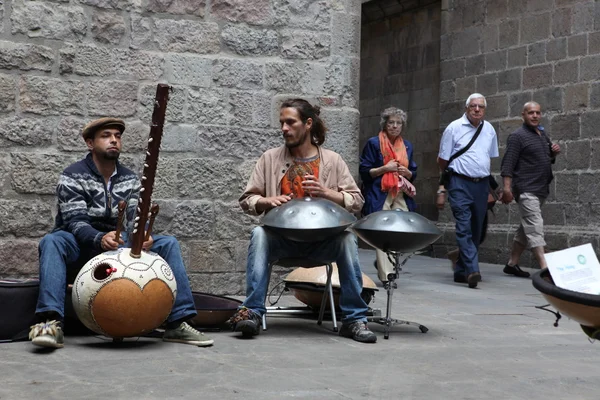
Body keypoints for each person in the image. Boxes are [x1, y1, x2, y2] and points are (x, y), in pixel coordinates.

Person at [29, 118, 214, 349]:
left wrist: (144, 235)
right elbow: (74, 221)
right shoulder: (72, 175)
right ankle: (50, 323)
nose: (114, 140)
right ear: (90, 143)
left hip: (117, 243)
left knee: (167, 243)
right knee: (53, 240)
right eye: (106, 135)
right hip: (79, 244)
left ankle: (178, 323)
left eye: (117, 135)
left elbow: (137, 217)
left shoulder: (130, 178)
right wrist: (99, 238)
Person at [232, 98, 377, 343]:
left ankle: (353, 319)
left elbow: (358, 200)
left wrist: (327, 193)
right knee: (259, 234)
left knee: (347, 238)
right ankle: (253, 312)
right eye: (282, 123)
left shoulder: (332, 160)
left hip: (323, 242)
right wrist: (266, 202)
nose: (284, 129)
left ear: (308, 124)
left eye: (290, 122)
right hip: (282, 241)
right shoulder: (270, 158)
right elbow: (247, 199)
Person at [437, 93, 499, 289]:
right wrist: (445, 184)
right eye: (473, 106)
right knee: (464, 225)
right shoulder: (453, 128)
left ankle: (460, 271)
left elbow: (488, 157)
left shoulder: (489, 129)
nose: (477, 109)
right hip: (459, 183)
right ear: (467, 108)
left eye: (481, 106)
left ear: (485, 109)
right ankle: (473, 269)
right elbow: (442, 160)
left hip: (481, 185)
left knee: (476, 228)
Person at [500, 101, 561, 275]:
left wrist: (553, 153)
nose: (535, 115)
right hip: (526, 189)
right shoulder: (517, 136)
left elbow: (545, 157)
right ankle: (545, 270)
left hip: (541, 188)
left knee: (526, 228)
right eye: (531, 113)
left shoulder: (542, 133)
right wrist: (507, 188)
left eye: (538, 113)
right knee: (535, 226)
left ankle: (512, 264)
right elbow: (508, 164)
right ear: (523, 115)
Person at [359, 107, 417, 283]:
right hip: (380, 193)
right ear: (385, 124)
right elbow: (364, 171)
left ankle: (385, 261)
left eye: (398, 123)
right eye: (391, 122)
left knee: (405, 229)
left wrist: (407, 172)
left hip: (400, 193)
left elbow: (413, 172)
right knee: (383, 231)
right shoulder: (374, 143)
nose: (394, 126)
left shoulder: (407, 146)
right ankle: (387, 276)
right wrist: (386, 168)